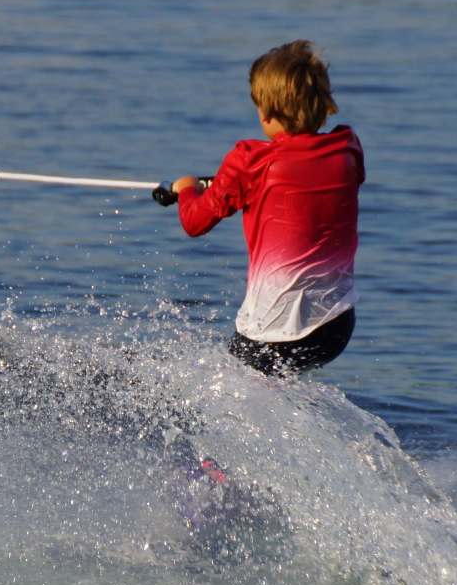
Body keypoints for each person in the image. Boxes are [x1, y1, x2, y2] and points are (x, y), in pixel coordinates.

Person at [155, 40, 364, 376]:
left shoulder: (249, 161)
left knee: (226, 393)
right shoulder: (348, 148)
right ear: (324, 106)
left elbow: (194, 222)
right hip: (336, 326)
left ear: (265, 114)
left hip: (275, 333)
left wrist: (187, 188)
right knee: (276, 390)